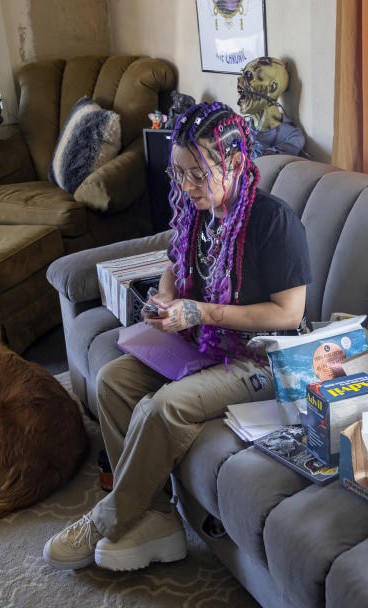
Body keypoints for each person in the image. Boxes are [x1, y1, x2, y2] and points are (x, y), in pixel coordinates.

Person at [42, 102, 312, 572]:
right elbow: (174, 264)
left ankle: (109, 518)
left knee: (163, 407)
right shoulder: (201, 212)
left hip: (260, 358)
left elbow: (289, 314)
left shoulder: (273, 221)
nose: (187, 187)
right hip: (201, 345)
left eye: (197, 175)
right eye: (180, 175)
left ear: (232, 162)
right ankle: (156, 517)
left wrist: (200, 311)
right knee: (113, 380)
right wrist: (166, 299)